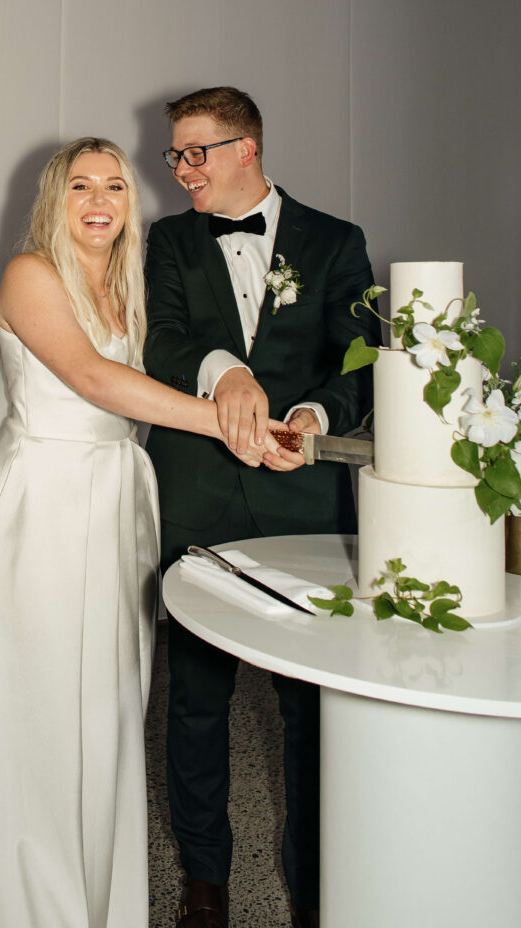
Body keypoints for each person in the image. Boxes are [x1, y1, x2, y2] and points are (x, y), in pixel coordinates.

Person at [0, 137, 280, 928]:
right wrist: (226, 427)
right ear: (54, 200)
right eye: (80, 186)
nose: (99, 200)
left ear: (132, 201)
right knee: (24, 690)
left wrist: (243, 394)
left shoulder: (131, 278)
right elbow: (93, 379)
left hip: (117, 497)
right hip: (38, 503)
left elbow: (182, 353)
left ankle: (82, 882)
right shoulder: (30, 274)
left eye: (115, 186)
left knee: (103, 697)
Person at [143, 87, 379, 928]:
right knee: (196, 700)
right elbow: (158, 337)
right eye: (174, 154)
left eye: (193, 152)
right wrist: (222, 370)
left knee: (309, 706)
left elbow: (359, 356)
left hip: (305, 500)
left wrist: (316, 419)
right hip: (197, 494)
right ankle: (205, 880)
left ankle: (315, 881)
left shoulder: (335, 240)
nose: (178, 170)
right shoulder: (165, 241)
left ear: (246, 148)